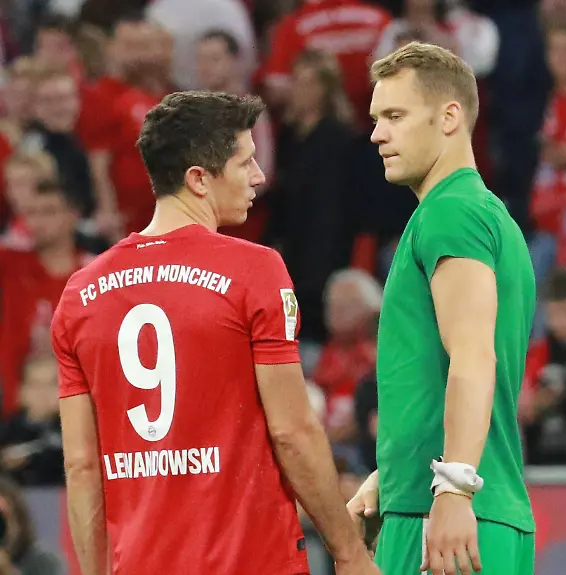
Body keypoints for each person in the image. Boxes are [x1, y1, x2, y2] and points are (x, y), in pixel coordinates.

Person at [52, 91, 376, 575]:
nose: (259, 176)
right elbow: (292, 431)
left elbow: (81, 465)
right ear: (198, 179)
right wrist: (349, 554)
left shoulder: (80, 294)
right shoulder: (255, 270)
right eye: (244, 163)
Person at [346, 42, 536, 575]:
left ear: (449, 117)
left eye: (395, 116)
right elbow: (440, 370)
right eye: (376, 118)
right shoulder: (481, 213)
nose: (377, 134)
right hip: (451, 501)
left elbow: (473, 356)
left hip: (448, 515)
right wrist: (393, 476)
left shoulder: (451, 213)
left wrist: (453, 486)